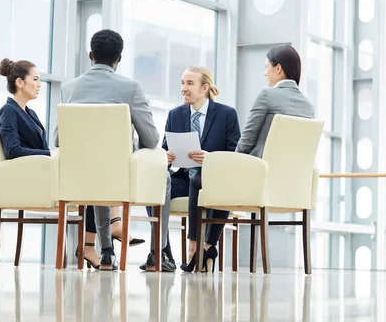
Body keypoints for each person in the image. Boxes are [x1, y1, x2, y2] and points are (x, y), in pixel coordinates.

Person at [54, 29, 173, 271]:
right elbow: (151, 139)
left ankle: (107, 252)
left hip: (78, 178)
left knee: (98, 176)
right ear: (119, 58)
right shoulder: (130, 88)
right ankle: (157, 252)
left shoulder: (69, 89)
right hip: (119, 175)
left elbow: (57, 139)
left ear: (91, 55)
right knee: (164, 178)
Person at [158, 66, 240, 273]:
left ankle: (198, 247)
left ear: (204, 89)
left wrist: (211, 159)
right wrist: (165, 157)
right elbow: (164, 150)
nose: (183, 88)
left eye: (189, 83)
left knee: (202, 180)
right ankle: (162, 250)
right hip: (184, 177)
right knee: (157, 180)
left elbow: (235, 154)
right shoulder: (175, 115)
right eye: (182, 83)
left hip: (214, 179)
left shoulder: (226, 114)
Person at [236, 45, 314, 158]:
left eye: (266, 67)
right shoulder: (309, 107)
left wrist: (232, 161)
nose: (265, 73)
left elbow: (245, 143)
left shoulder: (267, 95)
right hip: (293, 173)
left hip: (262, 171)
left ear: (278, 68)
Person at [0, 58, 50, 159]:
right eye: (35, 79)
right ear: (20, 82)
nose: (39, 85)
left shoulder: (31, 113)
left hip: (42, 167)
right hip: (27, 170)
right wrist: (49, 154)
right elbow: (12, 150)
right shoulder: (8, 110)